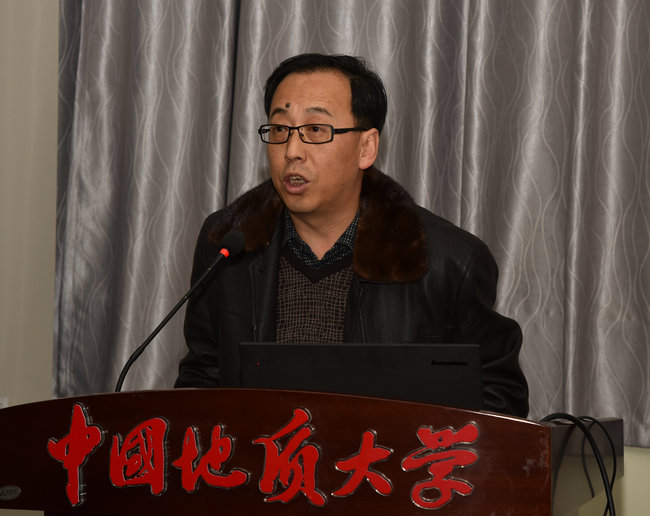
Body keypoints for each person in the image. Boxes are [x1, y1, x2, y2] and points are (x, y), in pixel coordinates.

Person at [174, 53, 529, 418]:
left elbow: (499, 402)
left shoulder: (448, 262)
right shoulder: (228, 244)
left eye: (316, 130)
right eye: (279, 130)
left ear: (366, 147)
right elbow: (202, 379)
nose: (291, 152)